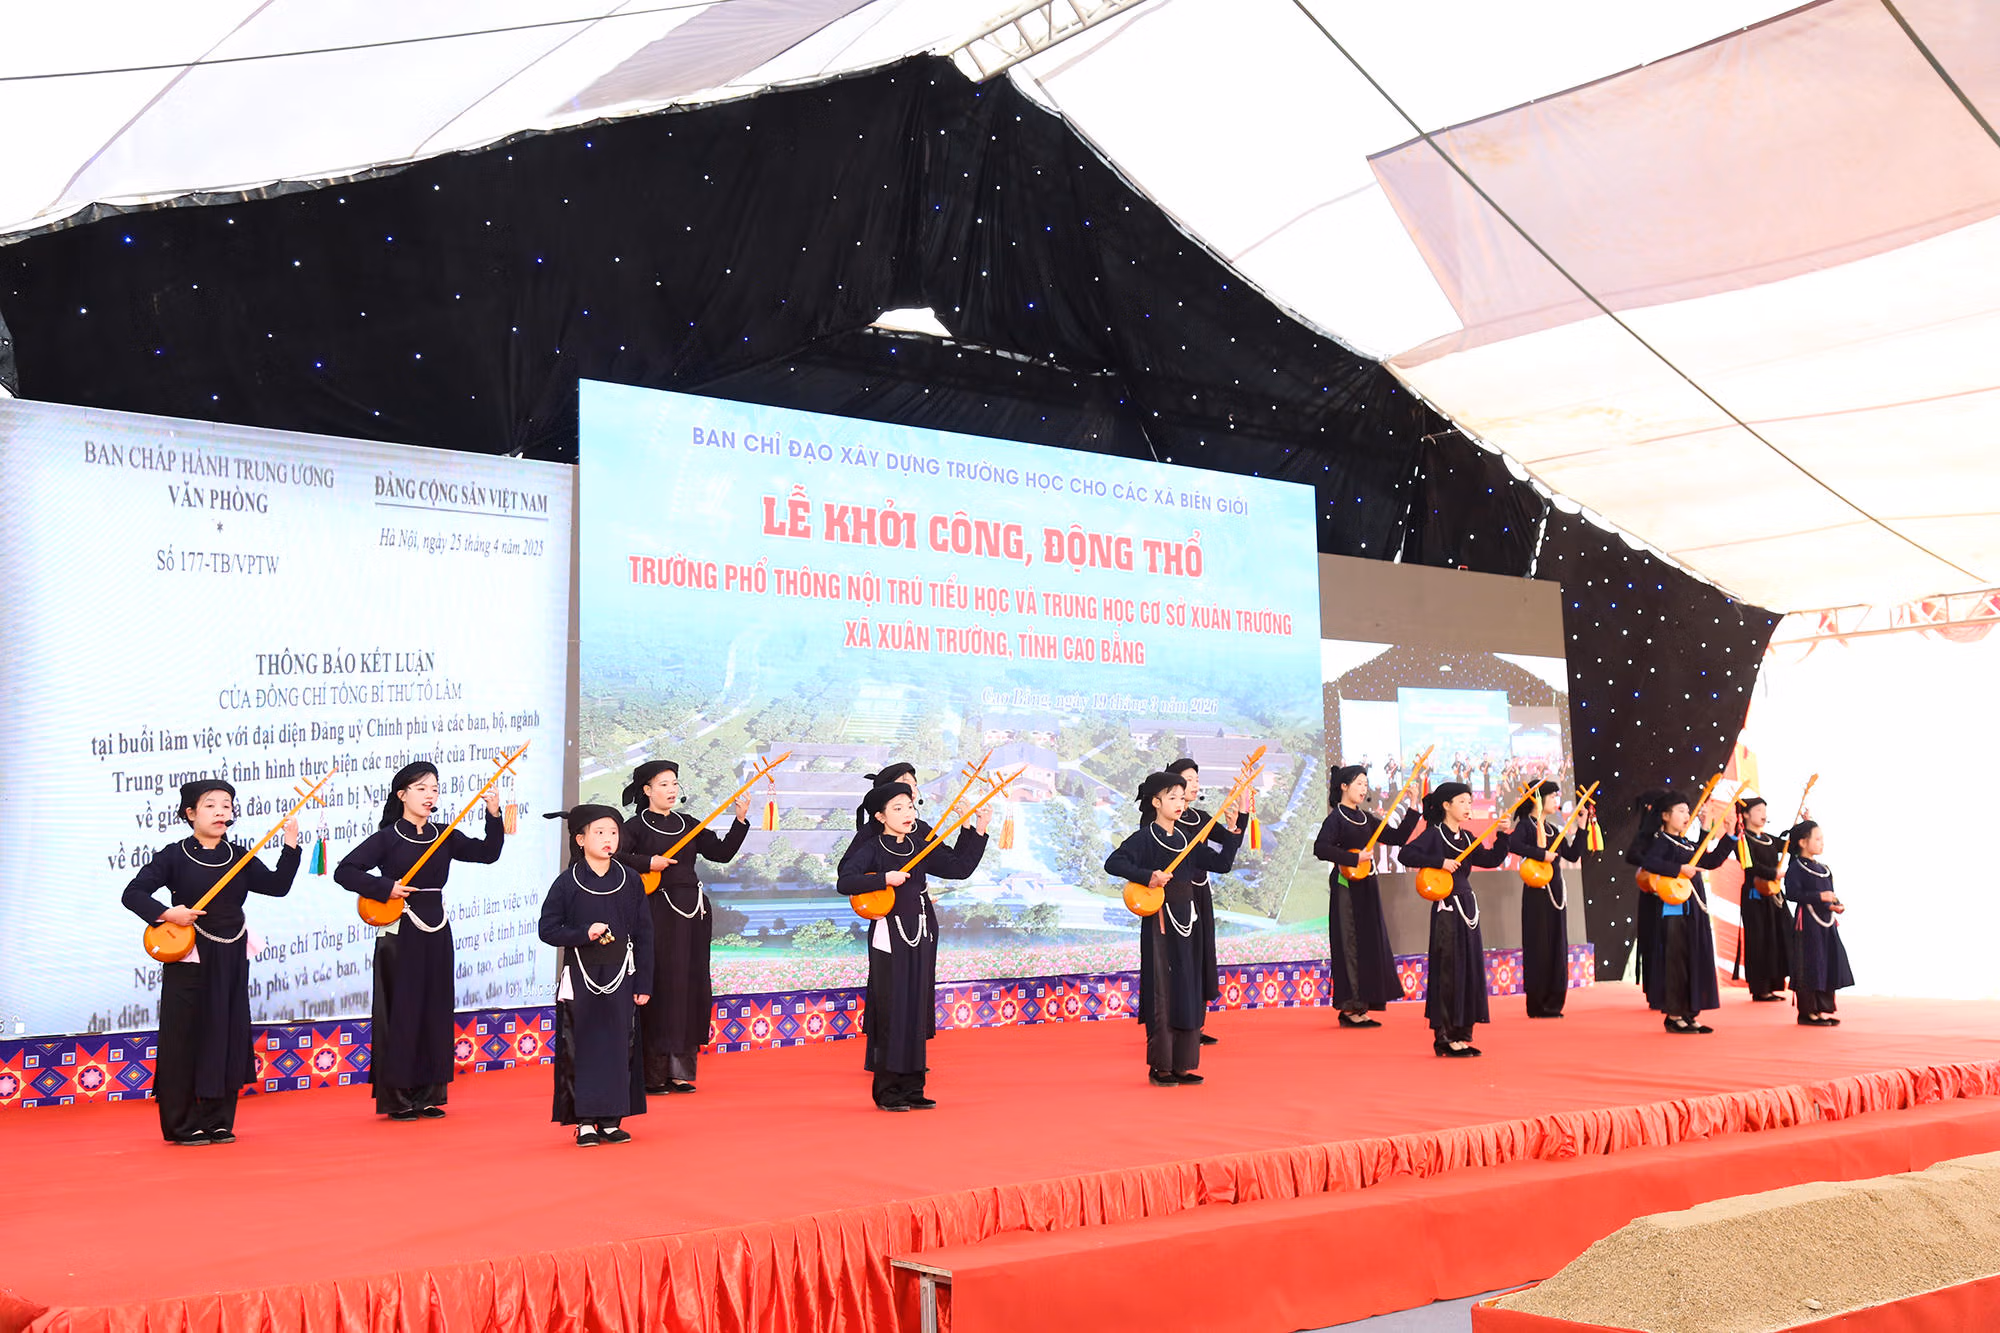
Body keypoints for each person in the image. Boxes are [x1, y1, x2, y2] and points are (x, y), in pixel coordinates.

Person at [122, 780, 300, 1145]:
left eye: (226, 805)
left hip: (231, 953)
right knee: (185, 1037)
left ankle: (218, 1120)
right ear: (190, 813)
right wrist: (168, 913)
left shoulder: (239, 856)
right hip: (189, 954)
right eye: (210, 805)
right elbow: (133, 893)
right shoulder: (173, 856)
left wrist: (290, 845)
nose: (221, 812)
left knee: (226, 1032)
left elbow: (278, 886)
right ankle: (182, 1123)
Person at [335, 761, 505, 1119]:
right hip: (400, 930)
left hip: (436, 927)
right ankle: (398, 1098)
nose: (430, 795)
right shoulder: (387, 837)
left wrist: (493, 814)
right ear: (402, 794)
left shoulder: (445, 834)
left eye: (435, 789)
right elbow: (344, 871)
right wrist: (386, 887)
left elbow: (488, 854)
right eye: (422, 788)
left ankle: (429, 1094)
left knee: (435, 1008)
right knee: (403, 1009)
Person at [836, 779, 989, 1110]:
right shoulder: (872, 848)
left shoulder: (919, 846)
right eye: (897, 808)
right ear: (880, 816)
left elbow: (959, 868)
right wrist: (884, 879)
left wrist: (978, 828)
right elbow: (844, 881)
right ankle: (888, 1091)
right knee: (893, 1009)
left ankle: (913, 1087)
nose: (908, 813)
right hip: (889, 937)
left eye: (909, 807)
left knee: (917, 1007)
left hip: (921, 932)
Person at [616, 760, 749, 1093]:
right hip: (657, 912)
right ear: (647, 790)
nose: (672, 790)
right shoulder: (634, 827)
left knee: (690, 985)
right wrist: (648, 862)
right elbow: (614, 856)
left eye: (674, 783)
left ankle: (680, 1071)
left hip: (693, 913)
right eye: (663, 784)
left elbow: (721, 853)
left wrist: (740, 819)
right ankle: (652, 1074)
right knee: (662, 986)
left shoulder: (688, 823)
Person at [1105, 772, 1239, 1085]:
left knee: (1188, 988)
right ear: (1156, 802)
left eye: (1182, 797)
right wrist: (1148, 876)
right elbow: (1113, 862)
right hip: (1160, 926)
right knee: (1163, 991)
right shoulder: (1145, 838)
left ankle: (1183, 1065)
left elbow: (1222, 865)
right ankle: (1161, 1067)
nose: (1180, 803)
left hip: (1188, 922)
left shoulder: (1187, 840)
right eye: (1172, 797)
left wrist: (1234, 833)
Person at [539, 805, 652, 1144]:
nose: (608, 839)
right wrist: (582, 934)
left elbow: (645, 934)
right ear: (580, 839)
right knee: (582, 1045)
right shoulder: (567, 882)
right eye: (599, 832)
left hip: (622, 975)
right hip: (581, 975)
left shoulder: (630, 880)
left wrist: (644, 982)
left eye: (613, 832)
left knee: (618, 1045)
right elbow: (548, 929)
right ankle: (585, 1121)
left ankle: (612, 1119)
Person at [1399, 782, 1511, 1057]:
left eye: (1469, 802)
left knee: (1467, 969)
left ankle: (1462, 1034)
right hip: (1447, 910)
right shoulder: (1434, 835)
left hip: (1468, 907)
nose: (1468, 807)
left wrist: (1501, 834)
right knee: (1449, 970)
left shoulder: (1468, 838)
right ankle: (1445, 1037)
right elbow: (1406, 854)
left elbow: (1491, 859)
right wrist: (1440, 863)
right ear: (1446, 805)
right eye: (1462, 801)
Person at [1311, 763, 1419, 1028]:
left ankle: (1362, 1005)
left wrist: (1413, 804)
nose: (1363, 788)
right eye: (1358, 783)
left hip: (1367, 884)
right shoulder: (1336, 819)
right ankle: (1349, 1007)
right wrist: (1353, 857)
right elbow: (1320, 848)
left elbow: (1397, 837)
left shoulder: (1366, 818)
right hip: (1346, 886)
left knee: (1369, 943)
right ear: (1344, 787)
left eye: (1365, 784)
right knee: (1349, 942)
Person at [1632, 791, 1736, 1034]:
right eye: (1680, 811)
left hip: (1693, 909)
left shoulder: (1686, 843)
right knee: (1675, 962)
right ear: (1665, 816)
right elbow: (1649, 863)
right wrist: (1679, 868)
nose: (1686, 815)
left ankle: (1690, 1013)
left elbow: (1710, 862)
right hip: (1673, 910)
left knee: (1693, 960)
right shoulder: (1659, 841)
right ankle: (1674, 1015)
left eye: (1688, 811)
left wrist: (1729, 834)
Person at [1164, 757, 1244, 1044]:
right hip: (1176, 896)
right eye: (1189, 779)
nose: (1195, 784)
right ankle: (1176, 1025)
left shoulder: (1201, 817)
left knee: (1201, 955)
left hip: (1201, 892)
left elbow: (1229, 846)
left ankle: (1196, 1024)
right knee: (1181, 958)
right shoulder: (1166, 820)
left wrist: (1241, 816)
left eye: (1197, 779)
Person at [1508, 780, 1590, 1018]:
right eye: (1553, 796)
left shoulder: (1554, 829)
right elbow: (1513, 844)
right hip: (1536, 891)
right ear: (1538, 799)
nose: (1556, 800)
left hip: (1556, 893)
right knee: (1539, 945)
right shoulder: (1526, 825)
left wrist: (1582, 826)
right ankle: (1537, 1003)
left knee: (1557, 944)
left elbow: (1573, 855)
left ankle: (1554, 1002)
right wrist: (1541, 854)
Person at [1783, 820, 1852, 1026]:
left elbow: (1829, 896)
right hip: (1808, 925)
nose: (1822, 843)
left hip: (1826, 924)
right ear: (1803, 842)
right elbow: (1792, 894)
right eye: (1818, 839)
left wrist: (1834, 905)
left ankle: (1822, 1008)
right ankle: (1807, 1012)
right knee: (1810, 965)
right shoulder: (1796, 868)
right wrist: (1819, 897)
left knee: (1826, 963)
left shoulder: (1824, 868)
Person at [1733, 796, 1793, 1002]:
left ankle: (1774, 984)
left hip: (1774, 894)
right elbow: (1749, 866)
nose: (1763, 814)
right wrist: (1772, 873)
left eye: (1764, 810)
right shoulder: (1742, 839)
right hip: (1755, 895)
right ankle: (1760, 988)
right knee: (1759, 940)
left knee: (1779, 936)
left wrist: (1803, 823)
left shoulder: (1768, 839)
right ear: (1746, 814)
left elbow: (1790, 845)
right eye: (1758, 810)